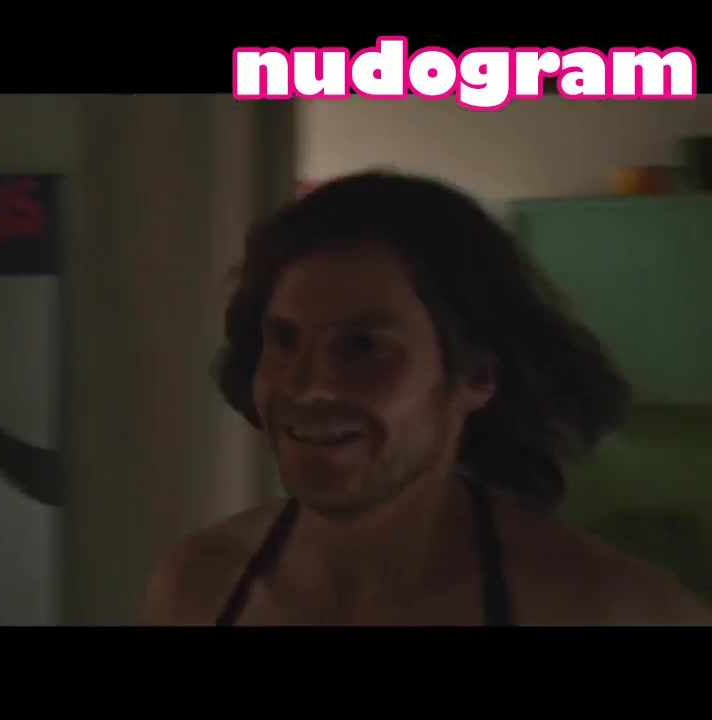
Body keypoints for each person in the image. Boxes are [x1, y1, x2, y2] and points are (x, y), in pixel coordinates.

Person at [143, 171, 712, 626]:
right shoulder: (198, 586)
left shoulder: (615, 610)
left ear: (477, 376)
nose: (308, 385)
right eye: (284, 340)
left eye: (363, 347)